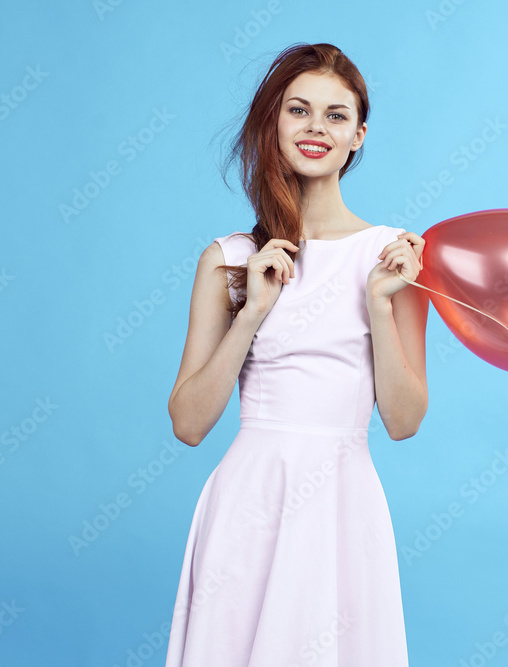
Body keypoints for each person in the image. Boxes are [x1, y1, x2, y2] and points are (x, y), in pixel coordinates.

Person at [163, 43, 428, 666]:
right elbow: (189, 424)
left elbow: (404, 421)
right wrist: (253, 310)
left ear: (358, 135)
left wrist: (381, 305)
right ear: (272, 122)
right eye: (298, 110)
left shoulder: (396, 256)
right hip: (250, 502)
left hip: (344, 504)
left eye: (336, 116)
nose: (316, 128)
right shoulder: (229, 258)